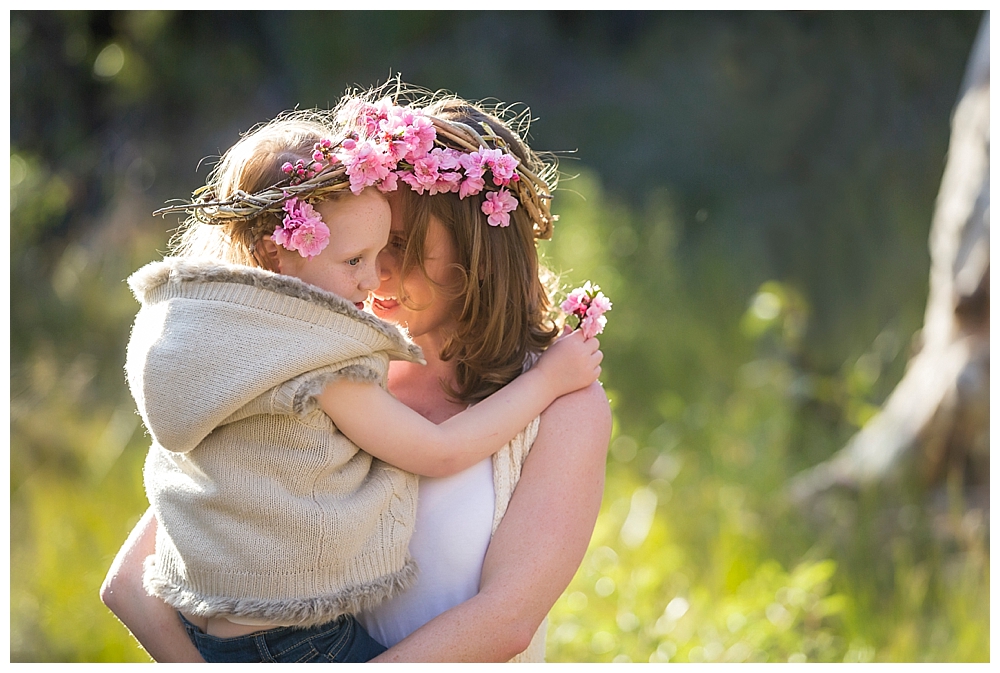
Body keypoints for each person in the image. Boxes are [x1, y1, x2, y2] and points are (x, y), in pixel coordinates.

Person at [101, 88, 612, 663]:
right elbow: (132, 583)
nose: (375, 274)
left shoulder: (563, 404)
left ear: (478, 251)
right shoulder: (315, 364)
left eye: (398, 244)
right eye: (356, 250)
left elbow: (506, 620)